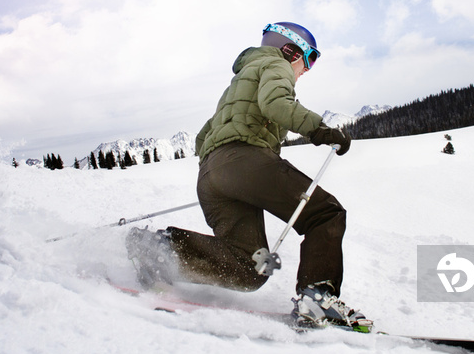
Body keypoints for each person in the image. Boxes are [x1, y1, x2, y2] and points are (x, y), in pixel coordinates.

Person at [126, 22, 369, 328]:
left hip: (212, 175)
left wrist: (224, 173)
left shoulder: (238, 83)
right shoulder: (275, 64)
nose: (306, 69)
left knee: (247, 269)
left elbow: (203, 138)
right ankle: (317, 301)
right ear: (289, 49)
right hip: (244, 161)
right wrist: (320, 129)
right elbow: (277, 104)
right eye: (308, 58)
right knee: (324, 214)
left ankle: (160, 249)